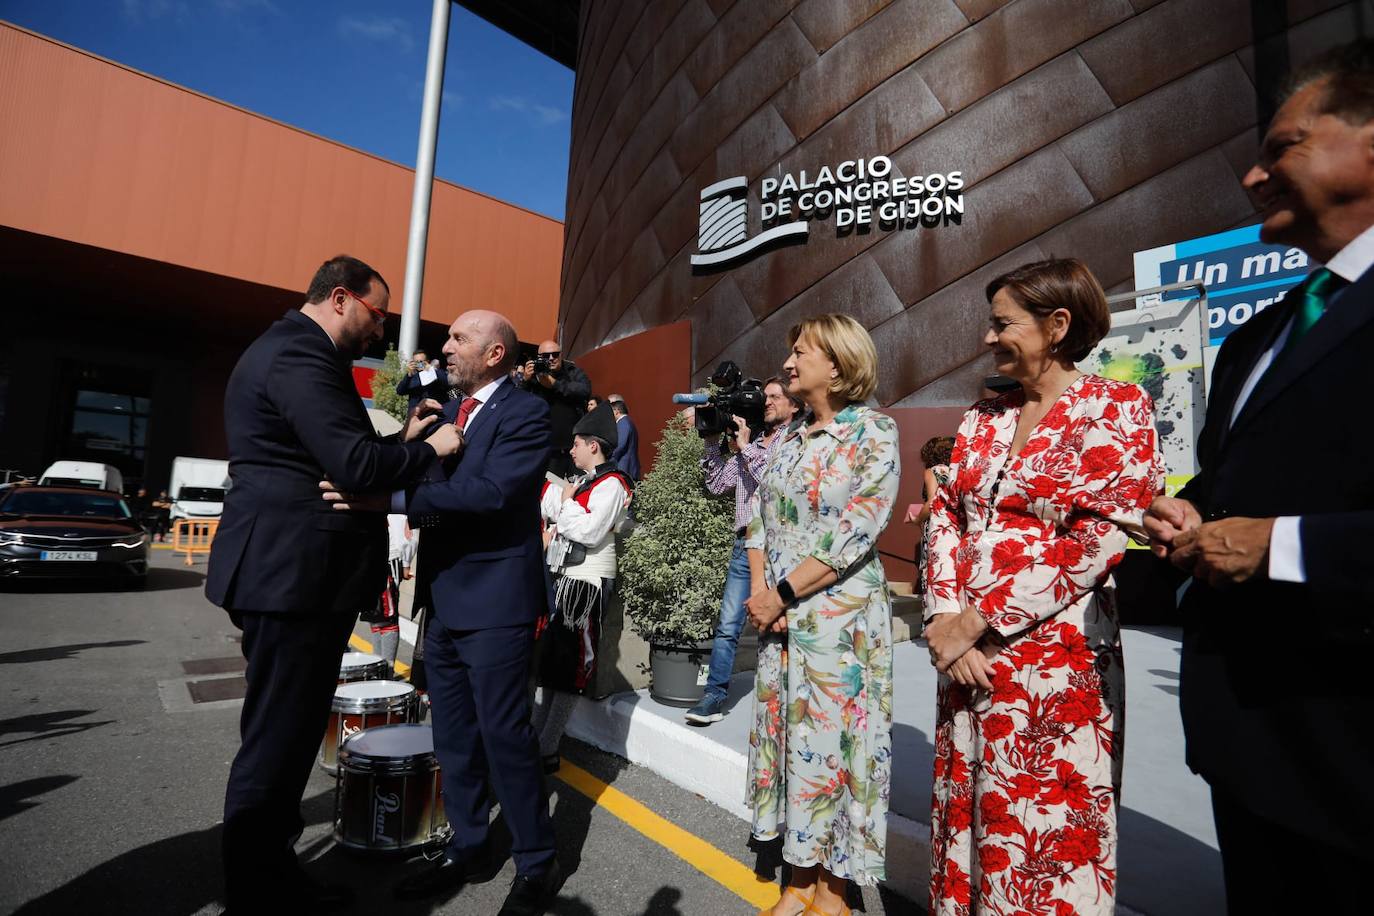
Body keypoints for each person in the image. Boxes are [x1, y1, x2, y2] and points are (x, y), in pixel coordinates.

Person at [1144, 41, 1374, 912]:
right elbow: (1232, 481)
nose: (1252, 176)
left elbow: (1277, 528)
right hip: (1249, 754)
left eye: (1283, 147)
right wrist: (1189, 508)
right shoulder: (1257, 338)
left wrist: (1280, 546)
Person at [206, 255, 460, 912]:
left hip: (288, 574)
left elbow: (343, 450)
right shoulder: (300, 356)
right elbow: (351, 462)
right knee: (278, 741)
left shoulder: (289, 351)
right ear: (342, 298)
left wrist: (398, 438)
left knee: (283, 737)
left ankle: (268, 874)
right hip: (290, 577)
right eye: (379, 316)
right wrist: (432, 449)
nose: (381, 333)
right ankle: (259, 890)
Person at [923, 258, 1163, 915]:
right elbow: (946, 520)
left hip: (1056, 668)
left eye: (1002, 324)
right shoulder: (983, 415)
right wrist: (945, 620)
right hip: (965, 663)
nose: (988, 338)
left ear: (1057, 326)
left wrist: (980, 619)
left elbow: (1102, 538)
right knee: (969, 826)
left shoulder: (1117, 408)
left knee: (1044, 843)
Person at [386, 309, 563, 915]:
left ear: (495, 354)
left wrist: (397, 494)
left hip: (496, 603)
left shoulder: (526, 412)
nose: (446, 346)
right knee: (453, 736)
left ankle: (538, 863)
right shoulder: (443, 413)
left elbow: (492, 494)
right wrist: (416, 444)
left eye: (460, 338)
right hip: (443, 598)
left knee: (505, 736)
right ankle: (469, 846)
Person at [745, 316, 899, 916]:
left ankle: (835, 889)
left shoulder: (874, 433)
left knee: (837, 746)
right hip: (780, 618)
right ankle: (800, 880)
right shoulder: (789, 437)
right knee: (793, 744)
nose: (788, 363)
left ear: (836, 364)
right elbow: (756, 516)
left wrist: (780, 593)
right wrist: (764, 594)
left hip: (842, 624)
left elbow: (856, 531)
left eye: (800, 352)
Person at [684, 377, 798, 726]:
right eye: (767, 396)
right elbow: (717, 484)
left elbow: (777, 484)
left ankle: (787, 699)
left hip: (778, 548)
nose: (768, 402)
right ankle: (714, 696)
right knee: (728, 625)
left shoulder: (794, 442)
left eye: (776, 397)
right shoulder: (755, 441)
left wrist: (746, 449)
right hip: (742, 543)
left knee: (784, 624)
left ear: (795, 405)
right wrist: (712, 443)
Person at [532, 403, 632, 772]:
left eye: (576, 444)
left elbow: (589, 533)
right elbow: (549, 509)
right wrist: (565, 504)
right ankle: (540, 740)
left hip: (586, 582)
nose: (570, 451)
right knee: (552, 664)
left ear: (594, 445)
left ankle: (548, 746)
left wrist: (566, 505)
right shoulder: (582, 482)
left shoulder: (615, 484)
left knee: (571, 667)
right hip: (563, 578)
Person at [518, 339, 591, 479]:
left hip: (575, 448)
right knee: (548, 493)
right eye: (546, 356)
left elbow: (584, 390)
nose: (551, 358)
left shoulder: (573, 372)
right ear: (538, 358)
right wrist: (525, 381)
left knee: (578, 490)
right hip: (547, 449)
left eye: (555, 354)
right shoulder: (533, 378)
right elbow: (518, 404)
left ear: (560, 355)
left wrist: (555, 384)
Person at [360, 514, 417, 676]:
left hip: (388, 559)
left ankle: (386, 670)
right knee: (374, 617)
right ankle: (378, 667)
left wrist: (405, 563)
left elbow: (406, 530)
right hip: (371, 556)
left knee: (386, 618)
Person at [911, 436, 955, 596]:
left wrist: (917, 518)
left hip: (938, 528)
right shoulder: (956, 471)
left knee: (933, 572)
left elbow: (932, 502)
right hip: (956, 527)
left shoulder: (933, 471)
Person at [395, 349, 448, 413]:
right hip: (414, 415)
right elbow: (399, 391)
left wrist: (431, 369)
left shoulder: (435, 373)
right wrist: (409, 375)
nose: (419, 364)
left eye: (421, 362)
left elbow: (447, 382)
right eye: (416, 362)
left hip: (433, 414)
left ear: (427, 361)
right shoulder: (412, 377)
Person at [607, 394, 641, 481]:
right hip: (627, 468)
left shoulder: (623, 423)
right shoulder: (627, 421)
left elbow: (620, 445)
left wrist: (608, 460)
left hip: (625, 468)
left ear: (616, 411)